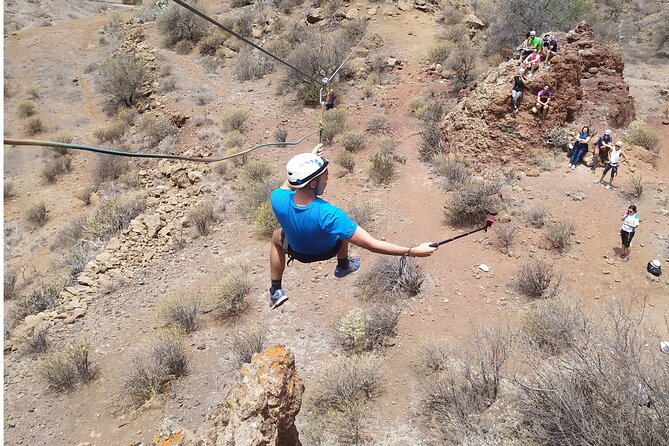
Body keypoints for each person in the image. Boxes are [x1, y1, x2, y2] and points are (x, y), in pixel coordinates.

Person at [268, 144, 437, 309]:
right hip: (327, 250)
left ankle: (276, 289)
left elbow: (290, 182)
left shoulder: (278, 198)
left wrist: (310, 159)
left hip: (298, 251)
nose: (327, 179)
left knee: (277, 237)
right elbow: (372, 245)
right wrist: (414, 251)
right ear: (313, 184)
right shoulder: (329, 214)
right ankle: (343, 265)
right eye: (325, 175)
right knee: (343, 231)